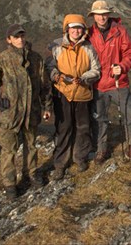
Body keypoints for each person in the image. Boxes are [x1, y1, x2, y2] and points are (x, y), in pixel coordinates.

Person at [0, 24, 53, 200]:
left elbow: (45, 86)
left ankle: (31, 174)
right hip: (10, 114)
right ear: (9, 39)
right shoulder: (2, 59)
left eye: (22, 36)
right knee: (9, 150)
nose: (20, 39)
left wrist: (47, 107)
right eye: (16, 37)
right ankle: (9, 184)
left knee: (31, 146)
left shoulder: (36, 58)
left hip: (31, 111)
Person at [87, 0, 131, 167]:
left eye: (104, 13)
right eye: (98, 14)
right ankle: (101, 149)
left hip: (118, 82)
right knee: (99, 119)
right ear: (94, 16)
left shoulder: (120, 31)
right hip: (98, 84)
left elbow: (130, 53)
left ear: (108, 14)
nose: (101, 17)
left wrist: (122, 66)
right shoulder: (89, 33)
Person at [47, 14, 100, 180]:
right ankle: (60, 163)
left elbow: (96, 70)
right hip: (62, 93)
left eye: (79, 28)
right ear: (67, 29)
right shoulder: (56, 46)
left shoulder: (88, 47)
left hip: (83, 93)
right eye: (73, 27)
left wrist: (84, 78)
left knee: (83, 127)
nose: (76, 31)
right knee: (63, 128)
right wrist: (57, 76)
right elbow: (50, 66)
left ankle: (80, 158)